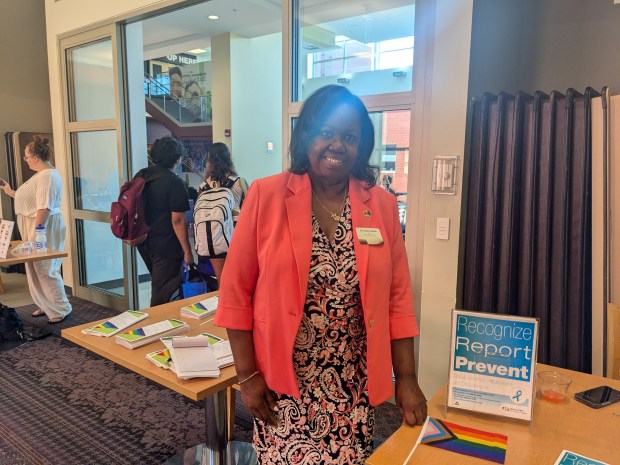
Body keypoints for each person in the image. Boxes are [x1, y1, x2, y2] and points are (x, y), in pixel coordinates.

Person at [214, 85, 427, 464]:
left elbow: (398, 299)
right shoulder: (266, 196)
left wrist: (406, 378)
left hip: (352, 383)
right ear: (306, 136)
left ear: (362, 145)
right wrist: (246, 376)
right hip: (283, 384)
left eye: (349, 136)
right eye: (326, 132)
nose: (337, 145)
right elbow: (235, 294)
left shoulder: (381, 206)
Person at [0, 136, 72, 324]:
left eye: (26, 157)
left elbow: (44, 206)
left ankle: (60, 307)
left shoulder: (48, 175)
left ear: (35, 157)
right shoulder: (42, 175)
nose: (26, 161)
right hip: (38, 225)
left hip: (43, 225)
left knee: (45, 268)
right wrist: (11, 192)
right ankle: (46, 303)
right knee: (35, 267)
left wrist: (37, 232)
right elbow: (34, 201)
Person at [137, 137, 194, 306]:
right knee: (163, 292)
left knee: (159, 283)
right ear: (177, 159)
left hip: (144, 241)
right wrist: (187, 251)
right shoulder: (174, 182)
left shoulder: (141, 175)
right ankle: (157, 326)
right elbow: (177, 220)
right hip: (166, 245)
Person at [195, 142, 247, 284]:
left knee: (222, 281)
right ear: (228, 159)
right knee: (238, 281)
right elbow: (250, 213)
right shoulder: (239, 182)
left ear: (209, 161)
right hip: (236, 238)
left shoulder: (203, 186)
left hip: (214, 239)